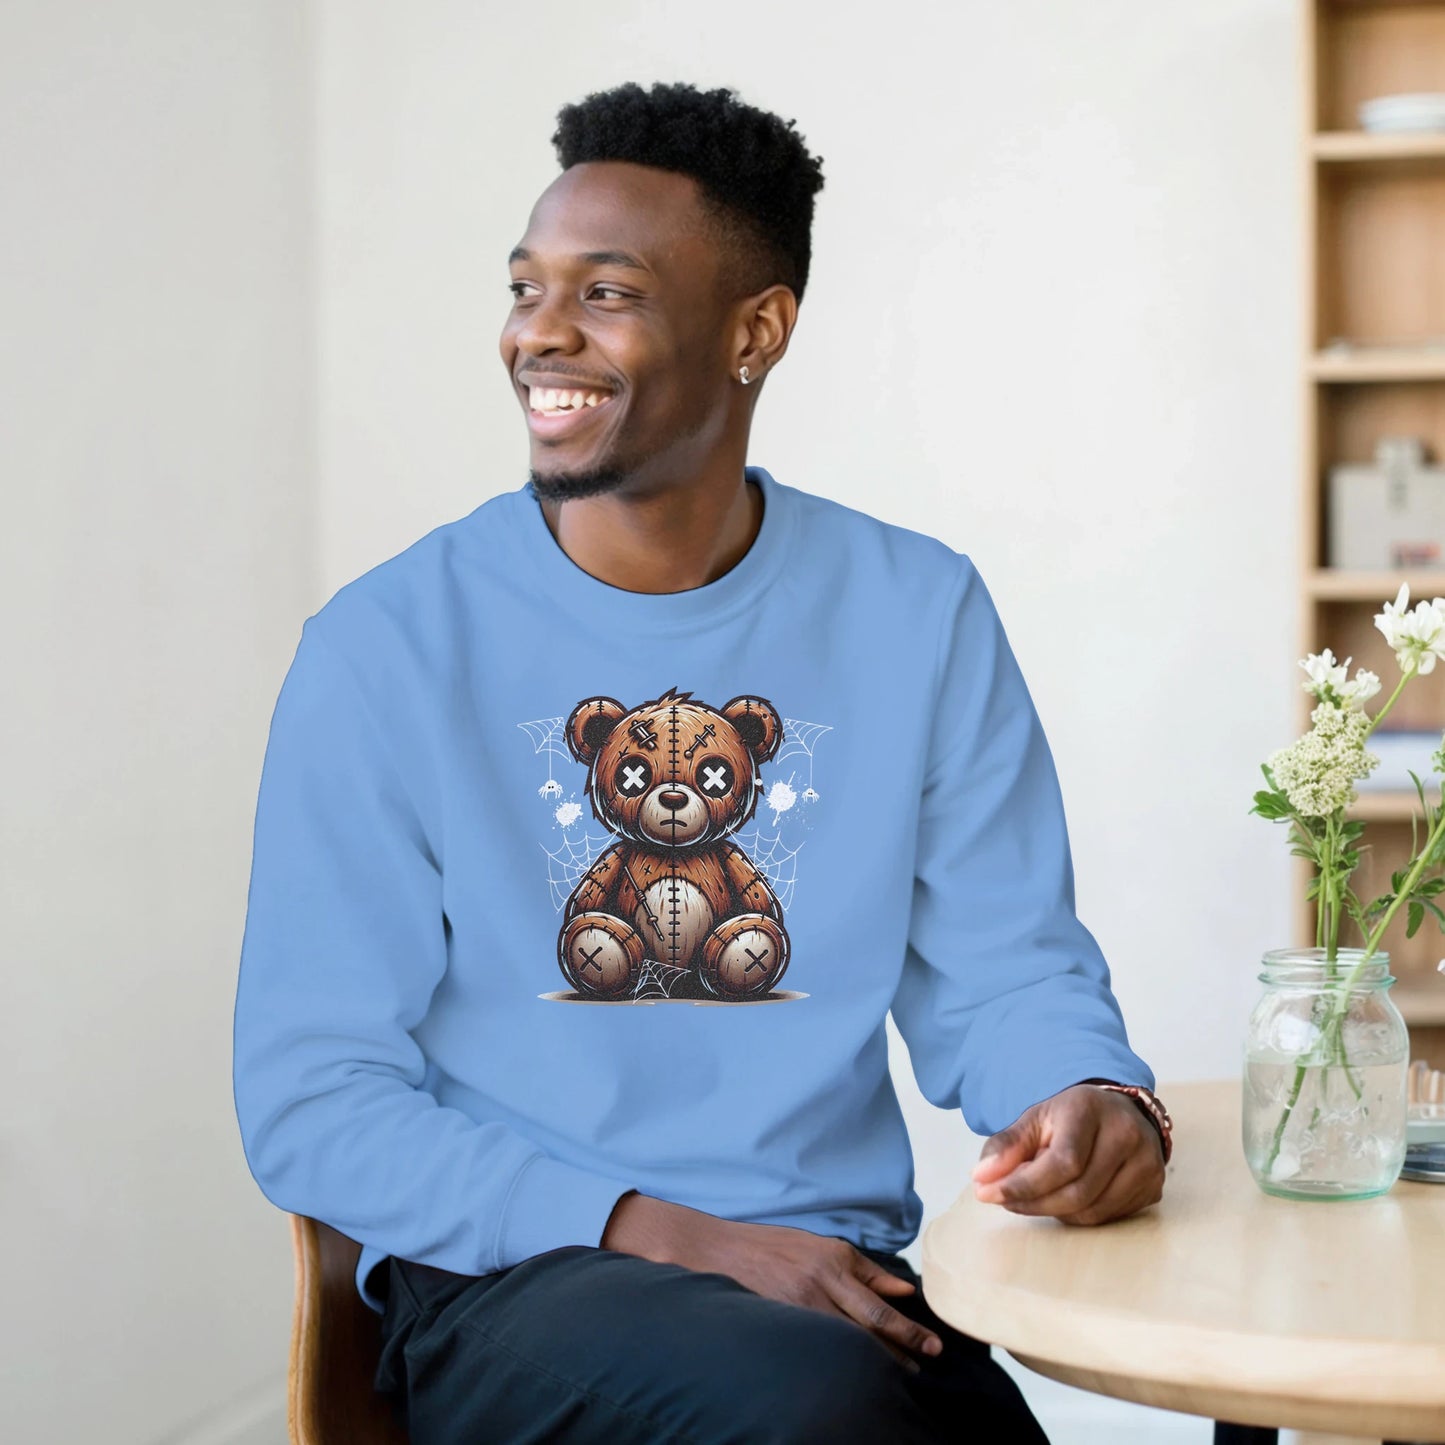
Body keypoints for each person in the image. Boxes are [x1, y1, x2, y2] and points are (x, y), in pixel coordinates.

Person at [232, 79, 1170, 1445]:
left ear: (755, 330)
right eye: (525, 285)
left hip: (830, 1280)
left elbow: (1006, 966)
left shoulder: (915, 612)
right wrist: (665, 1233)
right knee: (818, 1413)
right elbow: (312, 1101)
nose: (538, 332)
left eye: (603, 292)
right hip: (515, 1282)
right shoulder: (384, 647)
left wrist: (1089, 1094)